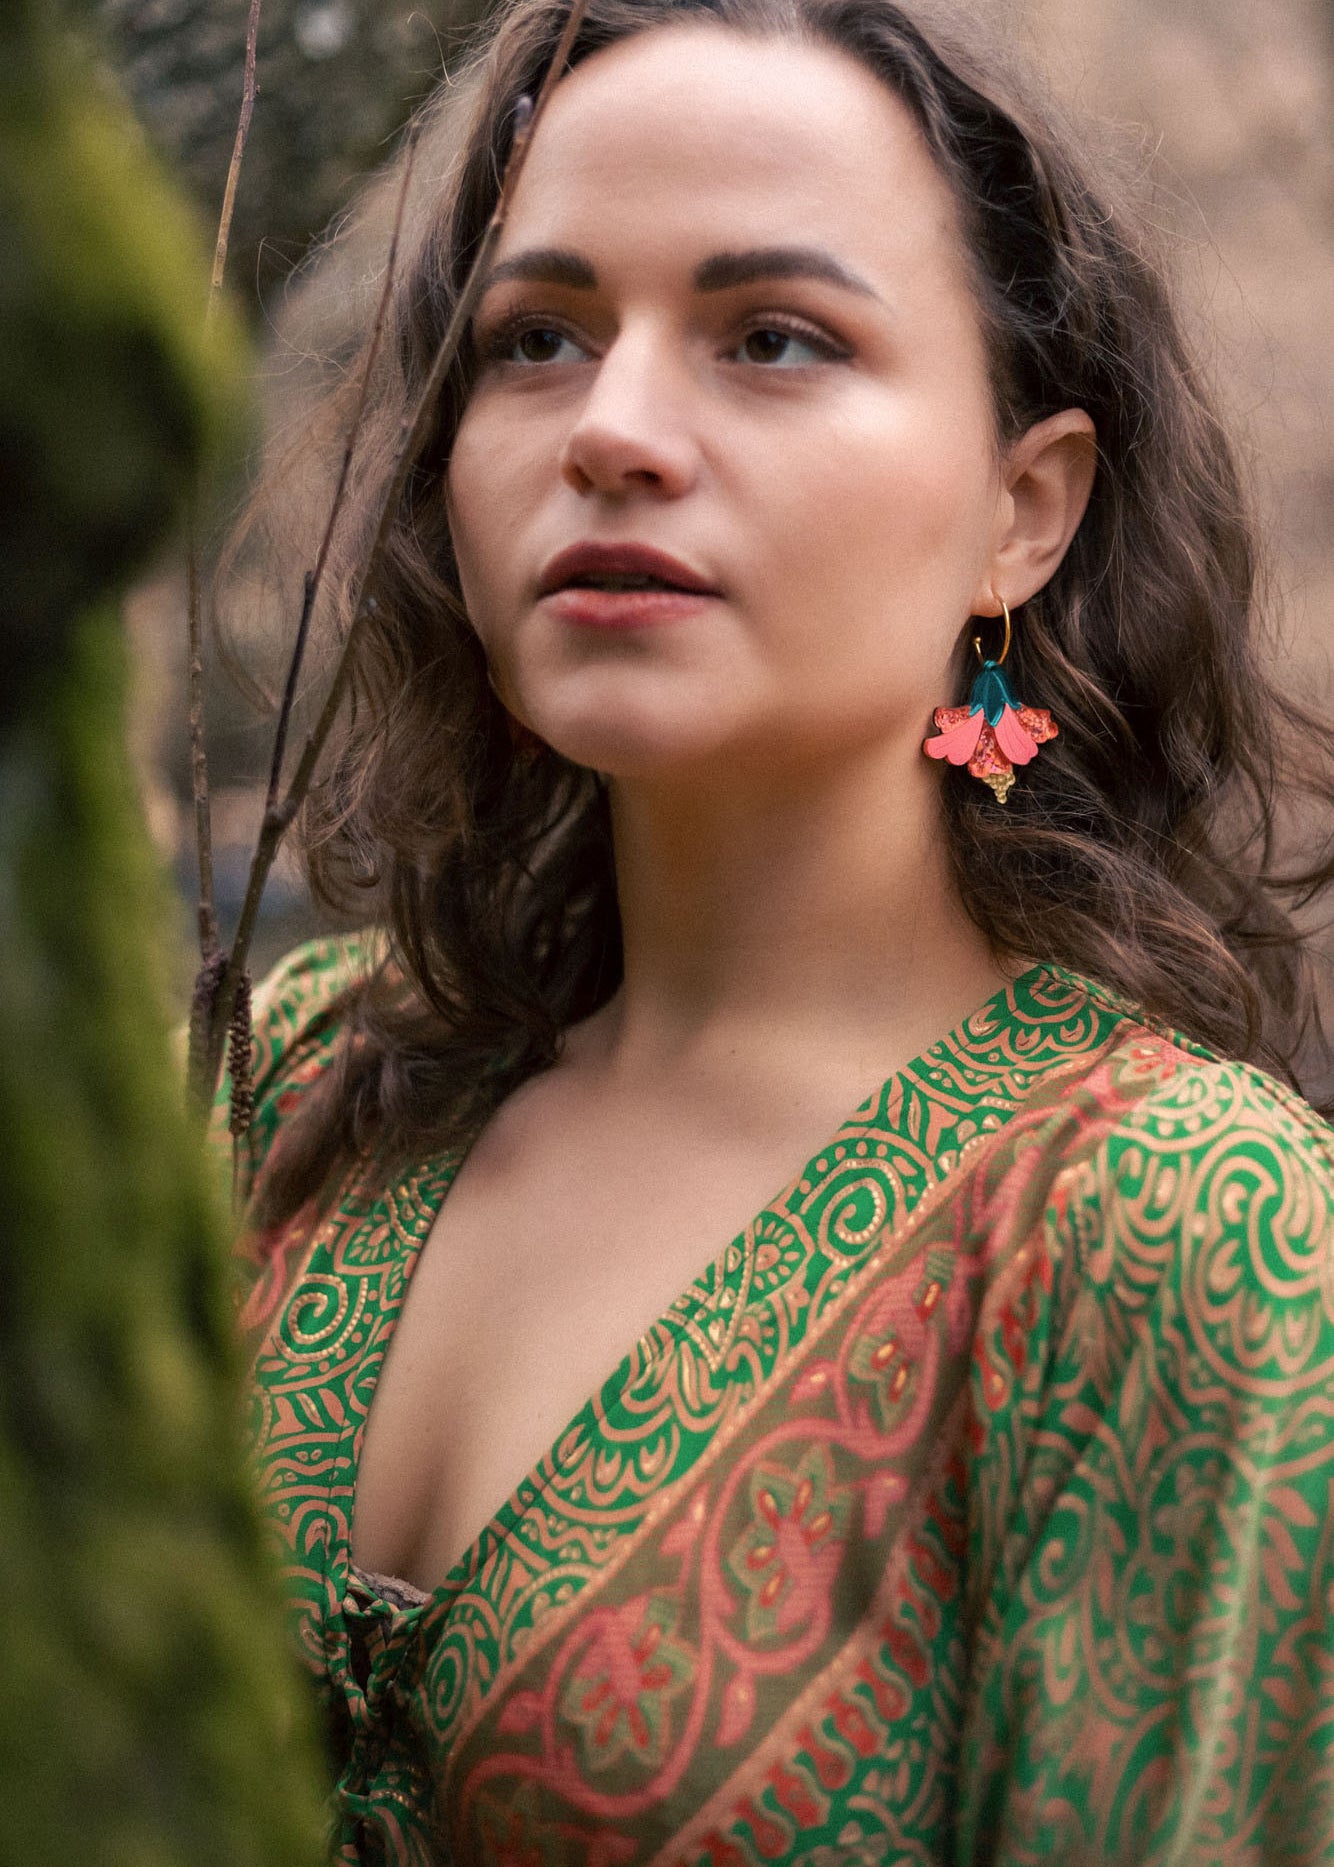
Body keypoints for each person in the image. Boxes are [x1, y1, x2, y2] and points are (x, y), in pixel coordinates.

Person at [224, 0, 1334, 1859]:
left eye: (773, 338)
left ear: (1023, 508)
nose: (613, 430)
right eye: (536, 340)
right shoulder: (295, 1086)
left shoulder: (1181, 1231)